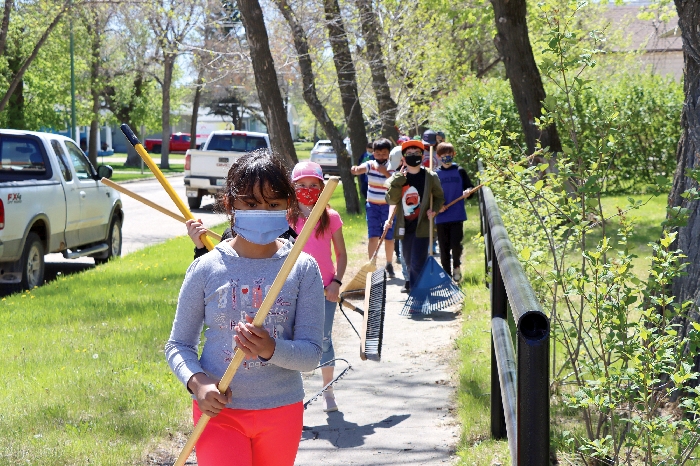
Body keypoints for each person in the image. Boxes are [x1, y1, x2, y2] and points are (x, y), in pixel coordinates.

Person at [166, 150, 325, 466]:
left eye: (274, 204)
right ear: (230, 204)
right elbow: (178, 345)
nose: (263, 211)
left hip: (281, 410)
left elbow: (311, 355)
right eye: (251, 204)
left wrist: (270, 348)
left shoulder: (303, 268)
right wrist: (198, 383)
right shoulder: (206, 268)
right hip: (219, 412)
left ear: (289, 207)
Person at [288, 161, 347, 412]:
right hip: (292, 290)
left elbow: (341, 255)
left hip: (324, 288)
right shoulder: (285, 219)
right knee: (291, 342)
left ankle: (328, 390)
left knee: (323, 339)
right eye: (302, 185)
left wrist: (336, 282)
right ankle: (292, 395)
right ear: (292, 188)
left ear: (323, 187)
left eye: (314, 185)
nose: (308, 190)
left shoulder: (330, 217)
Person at [385, 140, 445, 293]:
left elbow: (439, 197)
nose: (413, 156)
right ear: (403, 158)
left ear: (422, 155)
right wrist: (399, 181)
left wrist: (434, 210)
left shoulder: (430, 176)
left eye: (417, 153)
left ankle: (417, 297)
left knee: (417, 262)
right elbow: (391, 199)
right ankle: (421, 290)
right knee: (409, 262)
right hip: (404, 228)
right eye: (409, 154)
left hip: (423, 227)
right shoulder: (398, 178)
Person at [351, 138, 396, 278]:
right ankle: (372, 265)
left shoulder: (392, 166)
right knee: (373, 236)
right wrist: (356, 170)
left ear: (389, 154)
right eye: (378, 153)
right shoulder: (370, 164)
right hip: (372, 206)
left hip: (388, 207)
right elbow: (360, 169)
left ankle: (389, 263)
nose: (380, 156)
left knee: (389, 237)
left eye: (384, 153)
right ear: (373, 153)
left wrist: (385, 173)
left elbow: (395, 182)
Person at [435, 142, 474, 282]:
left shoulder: (460, 171)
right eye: (444, 155)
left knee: (456, 245)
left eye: (449, 155)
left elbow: (470, 187)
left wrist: (468, 192)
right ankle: (446, 275)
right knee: (444, 247)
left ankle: (456, 266)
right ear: (438, 157)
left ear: (453, 154)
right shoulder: (435, 174)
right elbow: (430, 195)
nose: (447, 157)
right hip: (441, 217)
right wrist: (437, 206)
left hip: (457, 215)